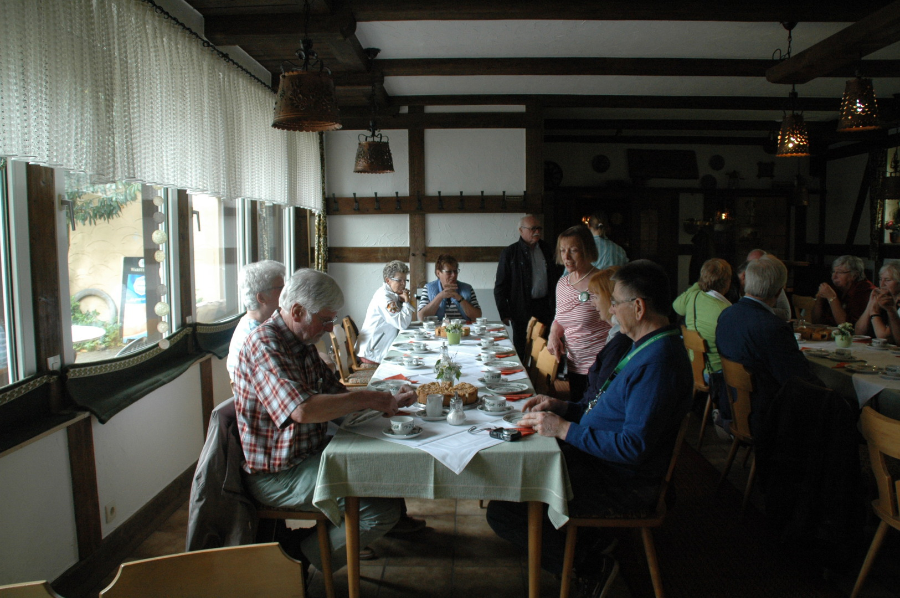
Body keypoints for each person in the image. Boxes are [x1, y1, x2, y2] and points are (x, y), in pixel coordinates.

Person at [486, 260, 692, 596]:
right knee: (519, 473)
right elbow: (604, 410)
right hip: (599, 461)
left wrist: (564, 430)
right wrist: (563, 407)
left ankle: (589, 565)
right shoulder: (645, 346)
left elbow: (633, 447)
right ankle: (590, 541)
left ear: (639, 307)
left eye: (616, 302)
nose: (611, 309)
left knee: (506, 509)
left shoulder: (660, 362)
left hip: (621, 481)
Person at [233, 268, 419, 572]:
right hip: (279, 473)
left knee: (383, 467)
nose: (330, 327)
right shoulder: (264, 344)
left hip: (309, 454)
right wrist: (367, 398)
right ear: (297, 311)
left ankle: (310, 543)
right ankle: (297, 561)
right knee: (381, 511)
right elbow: (302, 410)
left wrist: (387, 399)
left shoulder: (301, 342)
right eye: (325, 319)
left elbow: (337, 395)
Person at [716, 255, 822, 435]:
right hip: (766, 417)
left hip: (733, 406)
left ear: (746, 282)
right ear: (779, 292)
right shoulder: (772, 327)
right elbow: (798, 380)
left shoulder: (727, 314)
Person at [548, 225, 611, 402]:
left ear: (587, 250)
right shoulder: (562, 284)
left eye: (573, 250)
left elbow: (617, 324)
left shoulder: (601, 282)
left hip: (599, 365)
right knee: (577, 407)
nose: (566, 257)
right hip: (574, 364)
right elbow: (559, 318)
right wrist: (553, 334)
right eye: (562, 250)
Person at [493, 214, 560, 360]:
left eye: (539, 228)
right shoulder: (510, 253)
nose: (537, 232)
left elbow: (556, 278)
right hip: (521, 309)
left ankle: (543, 375)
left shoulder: (547, 249)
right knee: (522, 349)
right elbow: (500, 286)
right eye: (533, 228)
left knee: (545, 350)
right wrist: (504, 312)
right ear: (521, 230)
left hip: (545, 307)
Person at [226, 260, 285, 380]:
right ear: (261, 297)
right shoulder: (257, 336)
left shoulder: (257, 323)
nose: (286, 293)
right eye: (280, 288)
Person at [357, 260, 415, 364]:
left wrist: (401, 300)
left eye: (405, 280)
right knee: (411, 360)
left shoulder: (392, 294)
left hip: (378, 349)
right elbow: (403, 324)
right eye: (399, 280)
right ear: (388, 280)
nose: (404, 284)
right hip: (372, 353)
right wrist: (406, 302)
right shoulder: (384, 298)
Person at [811, 255, 875, 329]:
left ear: (854, 275)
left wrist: (832, 298)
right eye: (833, 272)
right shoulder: (835, 287)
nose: (834, 276)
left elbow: (848, 327)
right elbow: (816, 322)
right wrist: (819, 298)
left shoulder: (864, 291)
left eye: (840, 272)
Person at [417, 254, 482, 322]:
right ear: (438, 273)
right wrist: (440, 296)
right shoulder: (428, 288)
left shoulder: (467, 288)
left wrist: (459, 298)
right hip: (437, 328)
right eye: (449, 272)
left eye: (455, 271)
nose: (453, 275)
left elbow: (478, 316)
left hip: (464, 327)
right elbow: (422, 317)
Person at [857, 260, 900, 343]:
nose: (882, 284)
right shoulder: (880, 298)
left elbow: (885, 338)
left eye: (887, 280)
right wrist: (870, 304)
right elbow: (859, 332)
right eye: (880, 279)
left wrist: (874, 313)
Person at [745, 249, 791, 321]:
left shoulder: (775, 285)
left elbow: (786, 313)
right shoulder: (741, 281)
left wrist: (760, 309)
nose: (757, 269)